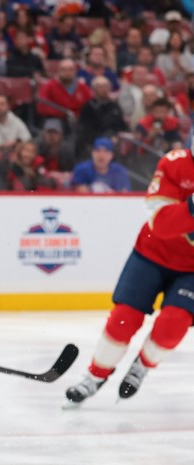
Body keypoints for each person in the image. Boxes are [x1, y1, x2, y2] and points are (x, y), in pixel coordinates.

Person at [66, 145, 194, 404]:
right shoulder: (174, 163)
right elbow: (161, 224)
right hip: (151, 254)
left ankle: (142, 366)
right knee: (123, 319)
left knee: (174, 324)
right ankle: (95, 375)